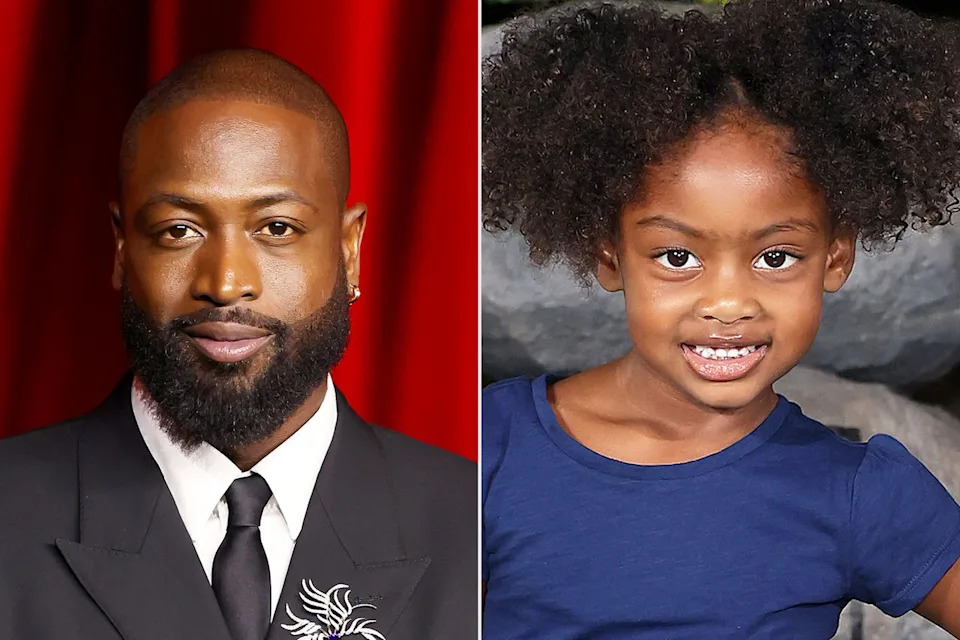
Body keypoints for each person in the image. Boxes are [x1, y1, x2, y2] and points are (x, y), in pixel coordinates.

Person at [482, 0, 960, 636]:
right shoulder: (489, 445)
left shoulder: (858, 490)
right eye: (678, 256)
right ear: (609, 254)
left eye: (776, 256)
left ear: (835, 257)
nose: (729, 302)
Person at [0, 49, 475, 640]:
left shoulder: (479, 523)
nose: (225, 283)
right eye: (179, 230)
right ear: (122, 249)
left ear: (349, 249)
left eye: (277, 228)